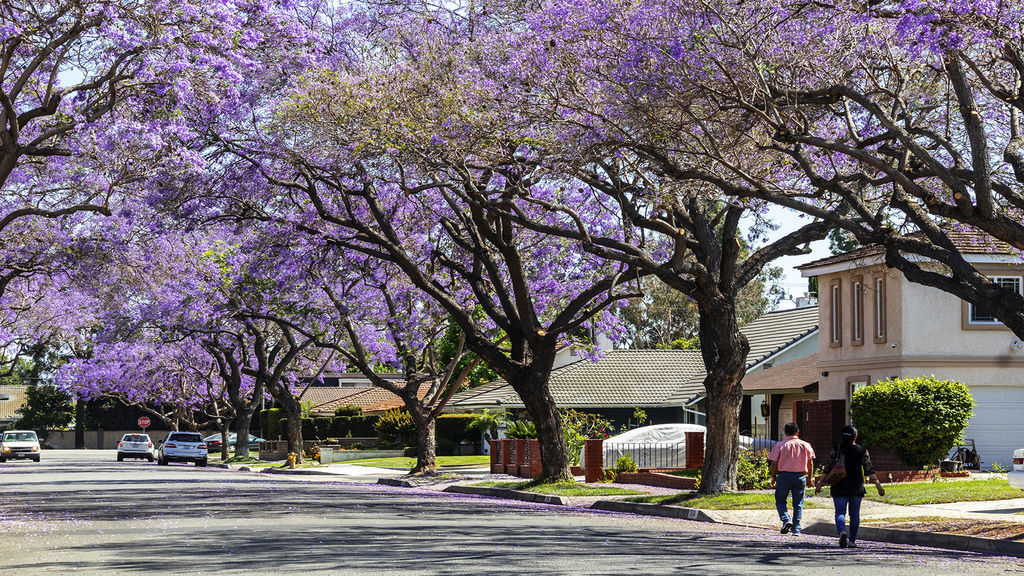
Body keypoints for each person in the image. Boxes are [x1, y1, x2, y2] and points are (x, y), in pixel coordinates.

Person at [815, 424, 885, 548]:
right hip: (856, 485)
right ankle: (852, 540)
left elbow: (828, 467)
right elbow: (870, 470)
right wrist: (878, 486)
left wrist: (820, 483)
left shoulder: (836, 449)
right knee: (854, 514)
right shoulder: (862, 450)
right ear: (855, 437)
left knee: (840, 512)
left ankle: (842, 531)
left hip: (839, 484)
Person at [768, 422, 815, 535]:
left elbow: (774, 463)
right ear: (798, 432)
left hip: (784, 475)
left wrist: (773, 476)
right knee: (798, 503)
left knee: (780, 500)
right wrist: (810, 478)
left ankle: (786, 519)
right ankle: (797, 529)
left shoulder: (780, 445)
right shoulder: (805, 445)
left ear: (785, 432)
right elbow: (810, 463)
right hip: (800, 476)